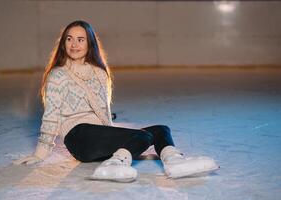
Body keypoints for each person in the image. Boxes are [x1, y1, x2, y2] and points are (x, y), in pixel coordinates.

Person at [13, 20, 219, 182]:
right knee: (145, 137)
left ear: (90, 43)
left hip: (99, 135)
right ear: (63, 43)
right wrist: (40, 153)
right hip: (79, 137)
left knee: (160, 130)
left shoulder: (100, 73)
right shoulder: (58, 75)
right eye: (69, 39)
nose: (74, 44)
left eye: (80, 39)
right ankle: (112, 166)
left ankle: (174, 161)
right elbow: (51, 115)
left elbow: (104, 113)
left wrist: (117, 137)